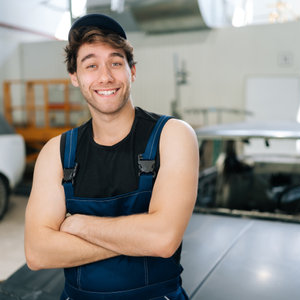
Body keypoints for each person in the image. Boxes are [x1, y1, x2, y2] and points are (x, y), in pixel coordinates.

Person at [24, 13, 199, 300]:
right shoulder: (57, 152)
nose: (105, 76)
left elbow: (164, 240)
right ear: (75, 77)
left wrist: (78, 225)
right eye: (91, 65)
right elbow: (38, 252)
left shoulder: (172, 135)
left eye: (116, 63)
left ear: (132, 70)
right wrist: (139, 237)